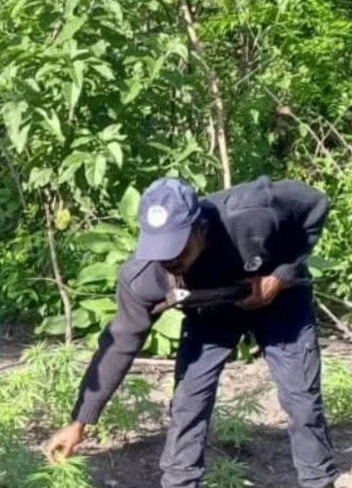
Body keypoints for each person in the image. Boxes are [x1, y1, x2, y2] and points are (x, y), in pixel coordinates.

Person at [46, 176, 340, 488]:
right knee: (188, 402)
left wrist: (281, 275)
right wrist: (80, 421)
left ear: (201, 228)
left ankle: (318, 481)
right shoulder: (144, 277)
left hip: (279, 302)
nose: (170, 260)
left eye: (178, 249)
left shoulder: (251, 210)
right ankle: (180, 482)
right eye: (161, 252)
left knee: (301, 400)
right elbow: (119, 344)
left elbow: (315, 205)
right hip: (213, 312)